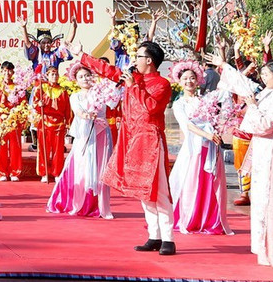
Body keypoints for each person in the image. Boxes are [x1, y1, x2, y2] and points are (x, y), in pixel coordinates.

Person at [70, 37, 176, 256]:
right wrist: (81, 55)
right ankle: (154, 236)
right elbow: (107, 70)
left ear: (149, 60)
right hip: (131, 139)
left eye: (138, 56)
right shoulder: (132, 77)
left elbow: (151, 108)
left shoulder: (162, 84)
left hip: (150, 141)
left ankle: (168, 238)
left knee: (159, 190)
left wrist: (133, 86)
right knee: (142, 190)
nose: (134, 60)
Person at [212, 48, 273, 269]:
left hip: (272, 150)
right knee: (261, 200)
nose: (262, 78)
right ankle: (265, 250)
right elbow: (244, 86)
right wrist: (224, 66)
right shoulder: (267, 93)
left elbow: (265, 126)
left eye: (266, 75)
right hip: (262, 150)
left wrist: (253, 107)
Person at [47, 61, 118, 219]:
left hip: (101, 133)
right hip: (85, 134)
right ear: (76, 80)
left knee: (101, 169)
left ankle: (100, 206)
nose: (85, 79)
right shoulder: (75, 96)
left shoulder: (101, 92)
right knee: (82, 167)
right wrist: (87, 115)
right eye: (81, 77)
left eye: (87, 75)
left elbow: (113, 104)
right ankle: (81, 203)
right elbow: (78, 111)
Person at [168, 60, 231, 235]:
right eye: (185, 78)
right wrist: (207, 135)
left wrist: (218, 128)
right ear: (179, 82)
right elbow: (187, 125)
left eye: (192, 78)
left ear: (198, 80)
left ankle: (209, 219)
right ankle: (190, 217)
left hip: (210, 146)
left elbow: (225, 98)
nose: (189, 81)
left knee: (210, 183)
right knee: (191, 182)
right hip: (193, 148)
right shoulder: (179, 104)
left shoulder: (206, 100)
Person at [31, 64, 72, 182]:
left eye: (56, 74)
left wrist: (68, 123)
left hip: (59, 124)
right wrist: (38, 104)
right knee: (43, 148)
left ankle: (57, 172)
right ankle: (44, 173)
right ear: (47, 76)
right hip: (44, 122)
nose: (55, 76)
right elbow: (34, 103)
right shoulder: (41, 88)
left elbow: (67, 109)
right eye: (52, 74)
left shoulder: (63, 91)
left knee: (58, 150)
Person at [0, 61, 26, 181]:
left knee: (15, 146)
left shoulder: (18, 87)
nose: (7, 73)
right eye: (5, 71)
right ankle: (2, 172)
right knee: (1, 146)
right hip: (1, 119)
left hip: (14, 119)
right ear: (1, 72)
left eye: (9, 70)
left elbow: (23, 103)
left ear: (13, 72)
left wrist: (20, 116)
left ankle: (15, 172)